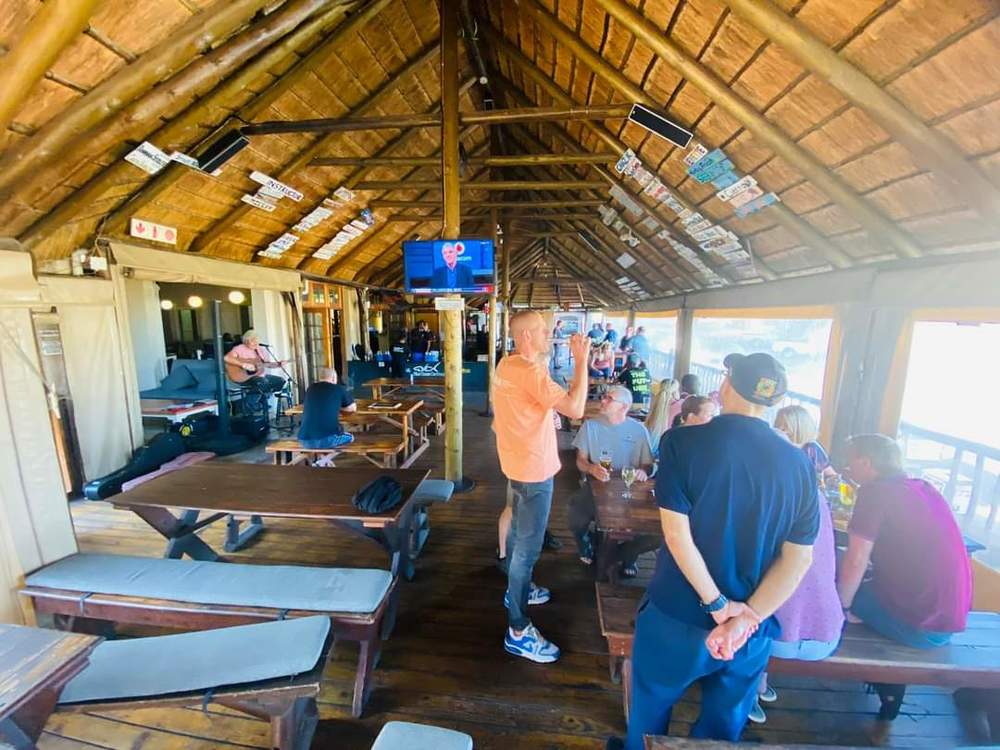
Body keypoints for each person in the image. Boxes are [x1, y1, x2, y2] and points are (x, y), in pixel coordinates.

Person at [621, 352, 819, 749]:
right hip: (750, 628)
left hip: (677, 613)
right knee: (723, 726)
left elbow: (677, 536)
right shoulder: (799, 465)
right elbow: (799, 558)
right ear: (776, 401)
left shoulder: (682, 442)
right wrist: (747, 617)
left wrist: (716, 604)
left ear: (726, 386)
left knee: (650, 711)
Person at [493, 311, 590, 664]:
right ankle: (518, 630)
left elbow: (526, 402)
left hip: (515, 465)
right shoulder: (531, 372)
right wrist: (581, 361)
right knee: (527, 550)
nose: (550, 334)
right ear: (527, 336)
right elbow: (576, 409)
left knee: (519, 533)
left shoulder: (507, 365)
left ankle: (515, 591)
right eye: (544, 330)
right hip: (534, 473)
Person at [748, 407, 843, 724]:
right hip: (827, 633)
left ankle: (752, 689)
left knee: (741, 598)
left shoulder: (769, 500)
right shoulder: (818, 499)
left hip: (779, 640)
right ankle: (759, 684)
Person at [838, 434, 971, 650]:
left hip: (920, 628)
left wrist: (842, 608)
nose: (847, 467)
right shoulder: (923, 487)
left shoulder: (875, 493)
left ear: (865, 463)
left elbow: (856, 560)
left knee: (832, 584)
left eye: (850, 460)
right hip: (949, 621)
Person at [567, 386, 657, 577]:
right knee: (575, 516)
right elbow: (580, 461)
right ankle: (585, 543)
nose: (602, 400)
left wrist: (643, 471)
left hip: (629, 488)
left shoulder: (639, 430)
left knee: (651, 529)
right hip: (596, 485)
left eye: (609, 398)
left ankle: (629, 555)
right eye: (604, 397)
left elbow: (648, 465)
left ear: (623, 407)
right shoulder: (590, 426)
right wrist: (592, 468)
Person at [224, 329, 287, 414]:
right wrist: (242, 364)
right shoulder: (239, 348)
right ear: (246, 341)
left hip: (260, 376)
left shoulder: (260, 350)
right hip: (243, 377)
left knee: (280, 381)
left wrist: (279, 364)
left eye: (256, 340)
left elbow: (267, 364)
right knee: (262, 382)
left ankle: (258, 401)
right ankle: (249, 404)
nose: (255, 343)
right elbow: (226, 358)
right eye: (252, 340)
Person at [773, 405, 838, 487]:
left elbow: (831, 475)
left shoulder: (812, 449)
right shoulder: (776, 447)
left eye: (786, 425)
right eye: (778, 424)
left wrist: (833, 482)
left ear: (801, 427)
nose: (780, 428)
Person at [297, 367, 357, 449]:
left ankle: (320, 457)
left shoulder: (310, 388)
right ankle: (324, 457)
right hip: (327, 439)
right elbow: (352, 408)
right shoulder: (338, 389)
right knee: (351, 437)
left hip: (303, 440)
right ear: (333, 378)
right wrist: (337, 407)